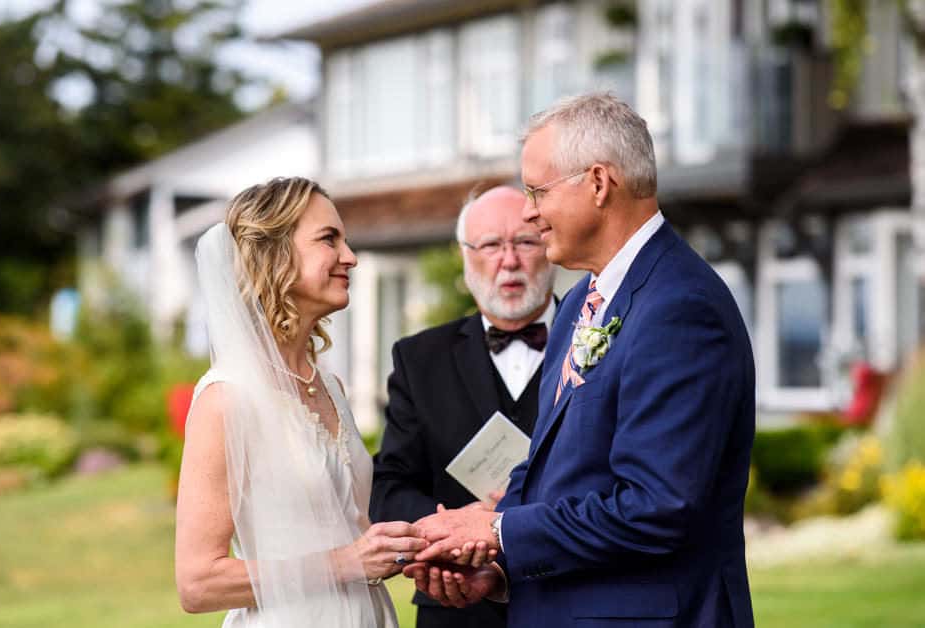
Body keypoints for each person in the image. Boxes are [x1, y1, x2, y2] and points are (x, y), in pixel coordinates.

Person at [407, 92, 756, 627]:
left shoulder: (680, 307)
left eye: (537, 190)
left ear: (598, 183)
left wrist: (496, 531)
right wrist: (499, 569)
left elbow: (657, 508)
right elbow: (552, 473)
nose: (528, 210)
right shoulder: (577, 304)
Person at [174, 177, 427, 627]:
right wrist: (348, 562)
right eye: (329, 239)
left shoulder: (331, 387)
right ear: (274, 257)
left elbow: (351, 529)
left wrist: (418, 546)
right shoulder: (226, 398)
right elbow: (197, 583)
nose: (350, 257)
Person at [369, 186, 556, 628]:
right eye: (490, 245)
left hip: (568, 598)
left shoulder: (599, 343)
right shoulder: (418, 359)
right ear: (465, 256)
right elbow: (389, 486)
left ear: (550, 246)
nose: (508, 261)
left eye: (525, 242)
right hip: (454, 605)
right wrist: (451, 532)